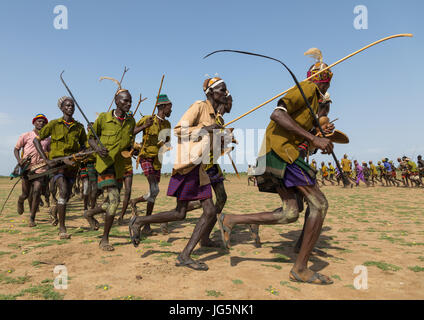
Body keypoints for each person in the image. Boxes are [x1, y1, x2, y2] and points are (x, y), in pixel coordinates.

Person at [217, 51, 335, 284]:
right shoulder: (308, 88)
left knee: (291, 212)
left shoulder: (313, 105)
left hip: (280, 154)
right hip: (282, 153)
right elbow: (277, 114)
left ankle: (231, 219)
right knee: (319, 204)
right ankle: (300, 268)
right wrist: (314, 139)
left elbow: (300, 133)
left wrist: (318, 135)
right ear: (325, 79)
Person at [129, 77, 231, 271]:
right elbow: (178, 130)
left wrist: (222, 140)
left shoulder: (214, 116)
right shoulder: (199, 106)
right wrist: (205, 129)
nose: (225, 94)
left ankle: (140, 221)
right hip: (188, 166)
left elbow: (207, 142)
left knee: (183, 213)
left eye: (225, 91)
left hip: (199, 167)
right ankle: (184, 255)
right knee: (200, 212)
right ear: (210, 93)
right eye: (221, 90)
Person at [84, 85, 136, 251]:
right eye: (125, 101)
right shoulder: (103, 118)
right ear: (116, 101)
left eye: (130, 101)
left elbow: (128, 141)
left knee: (108, 203)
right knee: (114, 200)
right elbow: (91, 138)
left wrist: (132, 150)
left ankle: (90, 213)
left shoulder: (130, 121)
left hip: (119, 166)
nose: (129, 104)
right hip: (104, 164)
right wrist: (98, 148)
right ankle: (104, 239)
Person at [34, 97, 87, 239]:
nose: (70, 107)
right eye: (67, 105)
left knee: (67, 195)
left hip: (72, 166)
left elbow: (84, 145)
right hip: (57, 166)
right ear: (62, 108)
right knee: (63, 191)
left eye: (72, 105)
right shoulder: (53, 124)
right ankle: (62, 228)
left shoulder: (79, 127)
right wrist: (46, 159)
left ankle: (55, 210)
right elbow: (36, 140)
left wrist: (82, 153)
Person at [125, 94, 173, 232]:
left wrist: (165, 144)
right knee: (154, 189)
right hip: (145, 157)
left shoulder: (167, 124)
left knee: (154, 192)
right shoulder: (147, 119)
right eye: (170, 108)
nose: (171, 111)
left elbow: (168, 140)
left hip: (158, 160)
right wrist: (145, 126)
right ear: (163, 107)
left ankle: (143, 217)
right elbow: (130, 132)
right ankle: (144, 221)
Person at [14, 114, 51, 227]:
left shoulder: (48, 139)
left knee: (37, 191)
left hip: (40, 168)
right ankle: (20, 201)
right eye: (39, 121)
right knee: (25, 194)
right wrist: (19, 160)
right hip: (27, 168)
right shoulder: (26, 135)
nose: (41, 123)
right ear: (34, 123)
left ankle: (32, 218)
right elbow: (16, 149)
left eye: (43, 122)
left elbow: (49, 152)